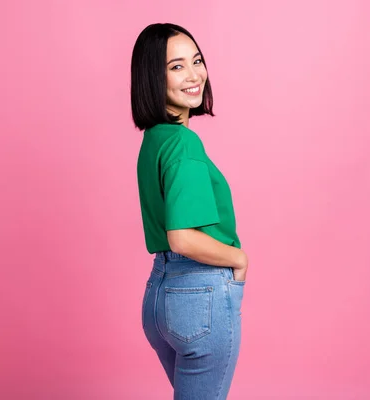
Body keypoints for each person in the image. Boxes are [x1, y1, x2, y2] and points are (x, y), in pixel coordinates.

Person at [131, 23, 248, 399]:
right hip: (199, 296)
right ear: (153, 76)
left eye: (197, 61)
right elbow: (181, 236)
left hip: (160, 297)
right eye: (177, 66)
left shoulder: (155, 139)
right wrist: (239, 259)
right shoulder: (183, 143)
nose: (195, 74)